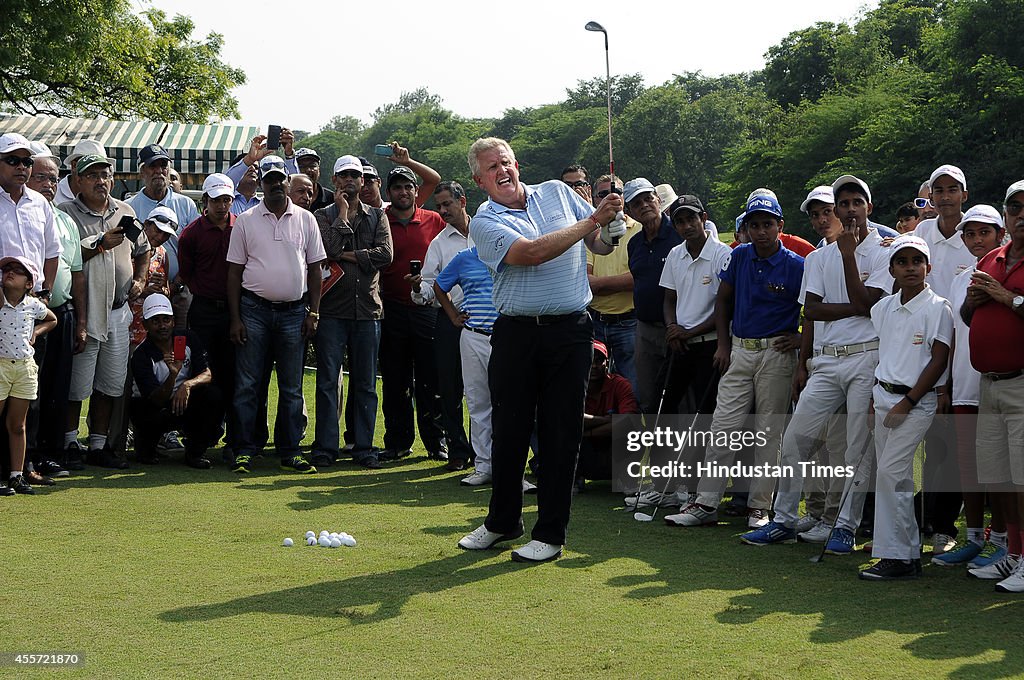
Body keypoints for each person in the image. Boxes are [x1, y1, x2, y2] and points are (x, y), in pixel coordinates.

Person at [457, 137, 625, 563]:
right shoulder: (484, 220)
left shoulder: (556, 191)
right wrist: (592, 221)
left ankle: (550, 533)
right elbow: (530, 254)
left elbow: (597, 246)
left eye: (507, 162)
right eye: (492, 167)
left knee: (560, 432)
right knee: (510, 432)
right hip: (516, 333)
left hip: (569, 332)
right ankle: (502, 522)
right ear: (480, 180)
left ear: (517, 163)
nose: (503, 171)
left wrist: (610, 227)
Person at [739, 176, 892, 552]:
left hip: (866, 356)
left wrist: (850, 256)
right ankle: (784, 519)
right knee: (795, 441)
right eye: (844, 204)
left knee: (856, 447)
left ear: (868, 208)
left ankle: (845, 527)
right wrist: (803, 365)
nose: (850, 209)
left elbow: (872, 305)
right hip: (825, 361)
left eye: (857, 202)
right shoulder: (819, 257)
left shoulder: (885, 251)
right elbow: (813, 311)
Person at [666, 192, 803, 529]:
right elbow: (723, 303)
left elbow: (810, 310)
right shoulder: (739, 256)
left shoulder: (797, 265)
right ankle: (706, 503)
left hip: (777, 353)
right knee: (722, 428)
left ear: (780, 226)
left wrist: (801, 338)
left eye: (767, 224)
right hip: (740, 350)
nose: (761, 231)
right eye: (754, 225)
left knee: (768, 432)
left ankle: (759, 507)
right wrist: (723, 347)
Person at [225, 156, 326, 475]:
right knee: (248, 384)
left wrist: (314, 311)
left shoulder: (306, 219)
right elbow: (233, 273)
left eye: (280, 180)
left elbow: (315, 269)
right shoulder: (246, 220)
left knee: (292, 386)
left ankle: (290, 450)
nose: (276, 185)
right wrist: (236, 318)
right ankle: (243, 449)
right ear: (262, 185)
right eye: (269, 181)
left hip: (294, 312)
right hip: (253, 310)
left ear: (287, 182)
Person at [860, 234, 952, 581]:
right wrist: (874, 399)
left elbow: (938, 360)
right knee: (890, 477)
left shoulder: (937, 307)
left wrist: (908, 401)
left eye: (917, 261)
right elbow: (885, 356)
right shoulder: (882, 307)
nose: (910, 268)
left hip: (915, 402)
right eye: (903, 262)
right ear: (892, 269)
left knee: (892, 475)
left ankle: (900, 557)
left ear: (928, 267)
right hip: (884, 397)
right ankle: (899, 553)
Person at [60, 154, 149, 470]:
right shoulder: (66, 213)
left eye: (105, 174)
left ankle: (97, 445)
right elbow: (63, 256)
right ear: (79, 181)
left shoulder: (124, 210)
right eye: (93, 175)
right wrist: (99, 244)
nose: (101, 180)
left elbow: (143, 249)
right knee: (77, 385)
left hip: (118, 310)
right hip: (85, 310)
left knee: (110, 385)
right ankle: (69, 442)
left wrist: (140, 278)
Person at [934, 205, 1008, 567]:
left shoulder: (1007, 274)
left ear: (999, 234)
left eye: (985, 233)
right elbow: (951, 336)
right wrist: (944, 386)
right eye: (971, 234)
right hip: (963, 384)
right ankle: (975, 537)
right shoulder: (960, 279)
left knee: (1001, 470)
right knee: (970, 467)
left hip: (999, 383)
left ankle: (1004, 539)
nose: (977, 240)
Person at [961, 179, 1024, 592]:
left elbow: (1011, 304)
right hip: (989, 381)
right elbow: (968, 316)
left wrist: (1006, 298)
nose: (1023, 215)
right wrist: (974, 302)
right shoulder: (992, 259)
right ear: (1006, 215)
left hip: (1021, 384)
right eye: (1016, 207)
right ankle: (1013, 554)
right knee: (999, 477)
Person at [310, 155, 392, 470]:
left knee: (366, 384)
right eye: (343, 176)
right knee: (328, 381)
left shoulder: (377, 216)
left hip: (368, 311)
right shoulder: (323, 214)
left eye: (354, 176)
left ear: (362, 180)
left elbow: (385, 255)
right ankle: (326, 448)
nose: (349, 181)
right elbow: (326, 250)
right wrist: (343, 215)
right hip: (332, 311)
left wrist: (350, 255)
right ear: (334, 181)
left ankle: (365, 448)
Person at [914, 164, 976, 555]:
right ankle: (923, 519)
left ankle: (943, 525)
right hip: (922, 349)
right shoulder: (921, 232)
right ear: (931, 196)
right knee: (928, 441)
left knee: (952, 442)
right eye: (940, 190)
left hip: (963, 349)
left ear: (964, 195)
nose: (946, 196)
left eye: (953, 189)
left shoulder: (975, 233)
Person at [377, 160, 447, 462]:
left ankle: (436, 442)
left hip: (427, 309)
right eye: (397, 187)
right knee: (395, 381)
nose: (403, 191)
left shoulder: (433, 219)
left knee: (431, 380)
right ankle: (398, 442)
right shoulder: (378, 220)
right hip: (391, 308)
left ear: (416, 191)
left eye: (408, 186)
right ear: (388, 191)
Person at [24, 147, 85, 477]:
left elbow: (76, 274)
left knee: (57, 388)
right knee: (30, 389)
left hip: (61, 311)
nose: (49, 183)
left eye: (54, 177)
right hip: (27, 313)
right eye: (42, 177)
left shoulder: (65, 220)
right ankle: (26, 456)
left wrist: (82, 322)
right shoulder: (18, 214)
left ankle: (50, 452)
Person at [408, 181, 475, 469]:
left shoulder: (486, 232)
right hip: (449, 321)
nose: (443, 210)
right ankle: (458, 451)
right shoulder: (439, 243)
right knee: (449, 388)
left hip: (485, 321)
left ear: (463, 201)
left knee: (485, 390)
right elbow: (427, 286)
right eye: (439, 206)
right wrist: (415, 290)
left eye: (447, 204)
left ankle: (485, 452)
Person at [178, 173, 239, 457]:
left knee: (231, 375)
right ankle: (198, 438)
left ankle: (224, 436)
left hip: (234, 310)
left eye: (227, 199)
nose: (222, 205)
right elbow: (187, 273)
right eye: (216, 200)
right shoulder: (191, 233)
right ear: (206, 200)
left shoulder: (241, 227)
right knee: (202, 374)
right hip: (203, 309)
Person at [130, 294, 224, 469]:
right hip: (152, 407)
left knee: (213, 395)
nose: (162, 326)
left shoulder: (188, 339)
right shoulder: (141, 355)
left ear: (173, 321)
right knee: (145, 446)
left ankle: (195, 452)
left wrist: (187, 385)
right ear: (145, 325)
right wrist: (173, 376)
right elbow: (155, 399)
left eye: (166, 320)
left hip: (182, 400)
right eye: (155, 321)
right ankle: (146, 446)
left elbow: (207, 374)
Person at [433, 243, 500, 486]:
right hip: (473, 336)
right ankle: (484, 467)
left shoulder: (511, 254)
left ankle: (512, 471)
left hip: (507, 338)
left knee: (509, 405)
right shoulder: (464, 258)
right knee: (478, 403)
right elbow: (440, 286)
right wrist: (452, 315)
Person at [0, 256, 57, 495]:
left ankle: (16, 475)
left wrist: (37, 331)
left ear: (28, 284)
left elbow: (52, 319)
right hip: (1, 366)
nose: (10, 273)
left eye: (18, 271)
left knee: (18, 425)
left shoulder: (33, 305)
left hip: (24, 367)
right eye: (7, 270)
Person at [625, 177, 681, 414]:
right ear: (629, 211)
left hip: (679, 327)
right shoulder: (634, 243)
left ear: (658, 200)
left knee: (681, 397)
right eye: (637, 203)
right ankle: (659, 448)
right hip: (645, 328)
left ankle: (687, 450)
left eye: (648, 198)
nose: (645, 205)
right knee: (648, 396)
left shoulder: (678, 235)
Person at [588, 175, 641, 394]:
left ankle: (631, 429)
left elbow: (637, 279)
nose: (611, 197)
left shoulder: (638, 229)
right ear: (594, 199)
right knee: (593, 389)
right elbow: (587, 283)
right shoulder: (591, 231)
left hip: (628, 322)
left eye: (617, 192)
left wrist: (601, 285)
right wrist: (619, 283)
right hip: (596, 322)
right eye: (603, 194)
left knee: (632, 387)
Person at [577, 340, 640, 491]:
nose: (594, 365)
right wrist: (607, 420)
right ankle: (574, 479)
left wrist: (586, 432)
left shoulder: (620, 384)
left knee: (633, 430)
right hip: (585, 449)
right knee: (561, 432)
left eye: (599, 361)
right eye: (590, 360)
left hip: (612, 445)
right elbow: (573, 418)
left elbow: (629, 420)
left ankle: (627, 479)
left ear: (607, 362)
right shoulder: (573, 385)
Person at [127, 206, 177, 348]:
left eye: (166, 235)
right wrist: (144, 291)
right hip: (126, 322)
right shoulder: (128, 248)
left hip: (150, 327)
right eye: (158, 230)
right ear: (146, 224)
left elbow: (166, 290)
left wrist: (163, 289)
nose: (160, 237)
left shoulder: (162, 254)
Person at [54, 139, 105, 206]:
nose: (100, 181)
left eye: (104, 174)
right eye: (92, 174)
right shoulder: (54, 195)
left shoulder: (104, 197)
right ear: (74, 165)